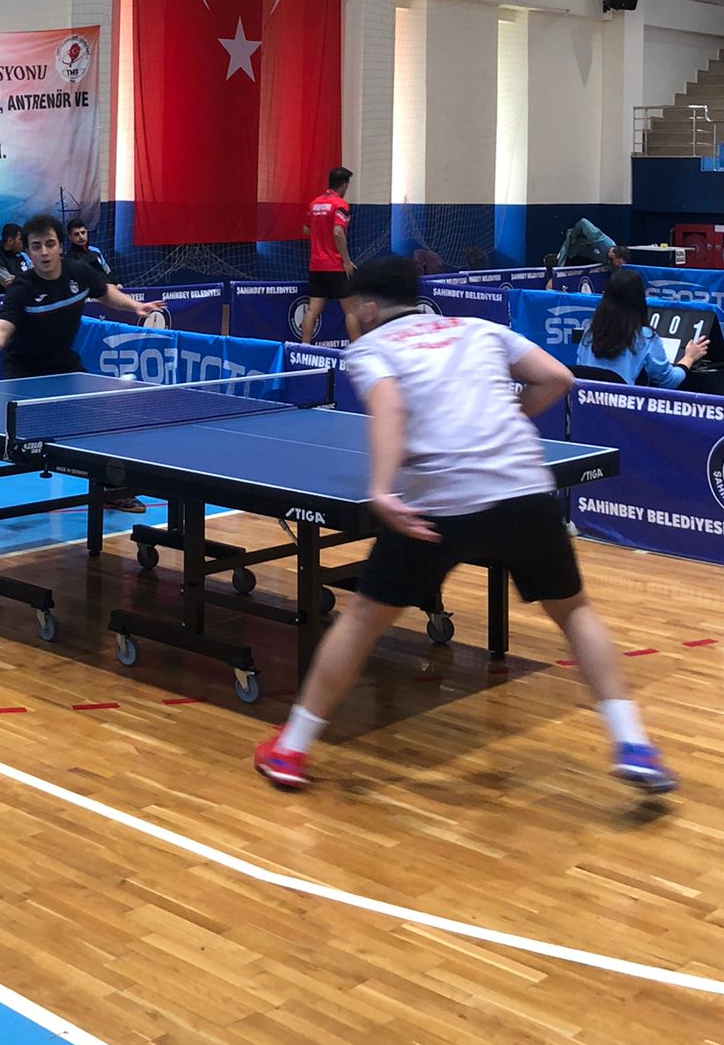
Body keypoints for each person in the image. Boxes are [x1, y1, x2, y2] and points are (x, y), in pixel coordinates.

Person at [253, 256, 676, 797]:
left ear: (368, 308)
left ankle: (290, 749)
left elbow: (390, 407)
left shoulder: (372, 348)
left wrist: (381, 487)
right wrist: (506, 422)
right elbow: (557, 378)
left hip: (438, 502)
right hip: (523, 489)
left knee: (360, 622)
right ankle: (633, 743)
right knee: (574, 612)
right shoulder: (479, 329)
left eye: (353, 308)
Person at [0, 214, 158, 523]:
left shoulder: (79, 273)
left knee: (96, 420)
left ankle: (109, 489)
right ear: (28, 252)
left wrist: (135, 306)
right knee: (3, 436)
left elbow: (105, 292)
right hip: (24, 370)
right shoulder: (21, 288)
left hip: (63, 364)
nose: (45, 252)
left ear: (60, 246)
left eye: (50, 244)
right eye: (36, 246)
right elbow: (3, 328)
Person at [573, 267, 708, 387]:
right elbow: (669, 381)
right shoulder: (645, 336)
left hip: (585, 405)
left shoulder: (589, 330)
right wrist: (689, 358)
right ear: (639, 299)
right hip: (623, 406)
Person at [301, 167, 355, 344]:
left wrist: (320, 238)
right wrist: (346, 262)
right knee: (351, 311)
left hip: (316, 265)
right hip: (335, 266)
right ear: (344, 185)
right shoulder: (340, 205)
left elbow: (306, 229)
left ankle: (304, 347)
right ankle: (359, 349)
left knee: (312, 309)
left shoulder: (315, 204)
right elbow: (338, 232)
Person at [556, 217, 621, 268]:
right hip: (573, 248)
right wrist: (573, 239)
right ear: (614, 255)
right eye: (619, 262)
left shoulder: (611, 261)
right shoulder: (596, 236)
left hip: (584, 257)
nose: (619, 265)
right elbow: (583, 222)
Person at [0, 223, 29, 294]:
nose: (23, 243)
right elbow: (9, 283)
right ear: (10, 240)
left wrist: (19, 279)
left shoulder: (23, 256)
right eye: (20, 239)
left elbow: (37, 275)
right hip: (7, 299)